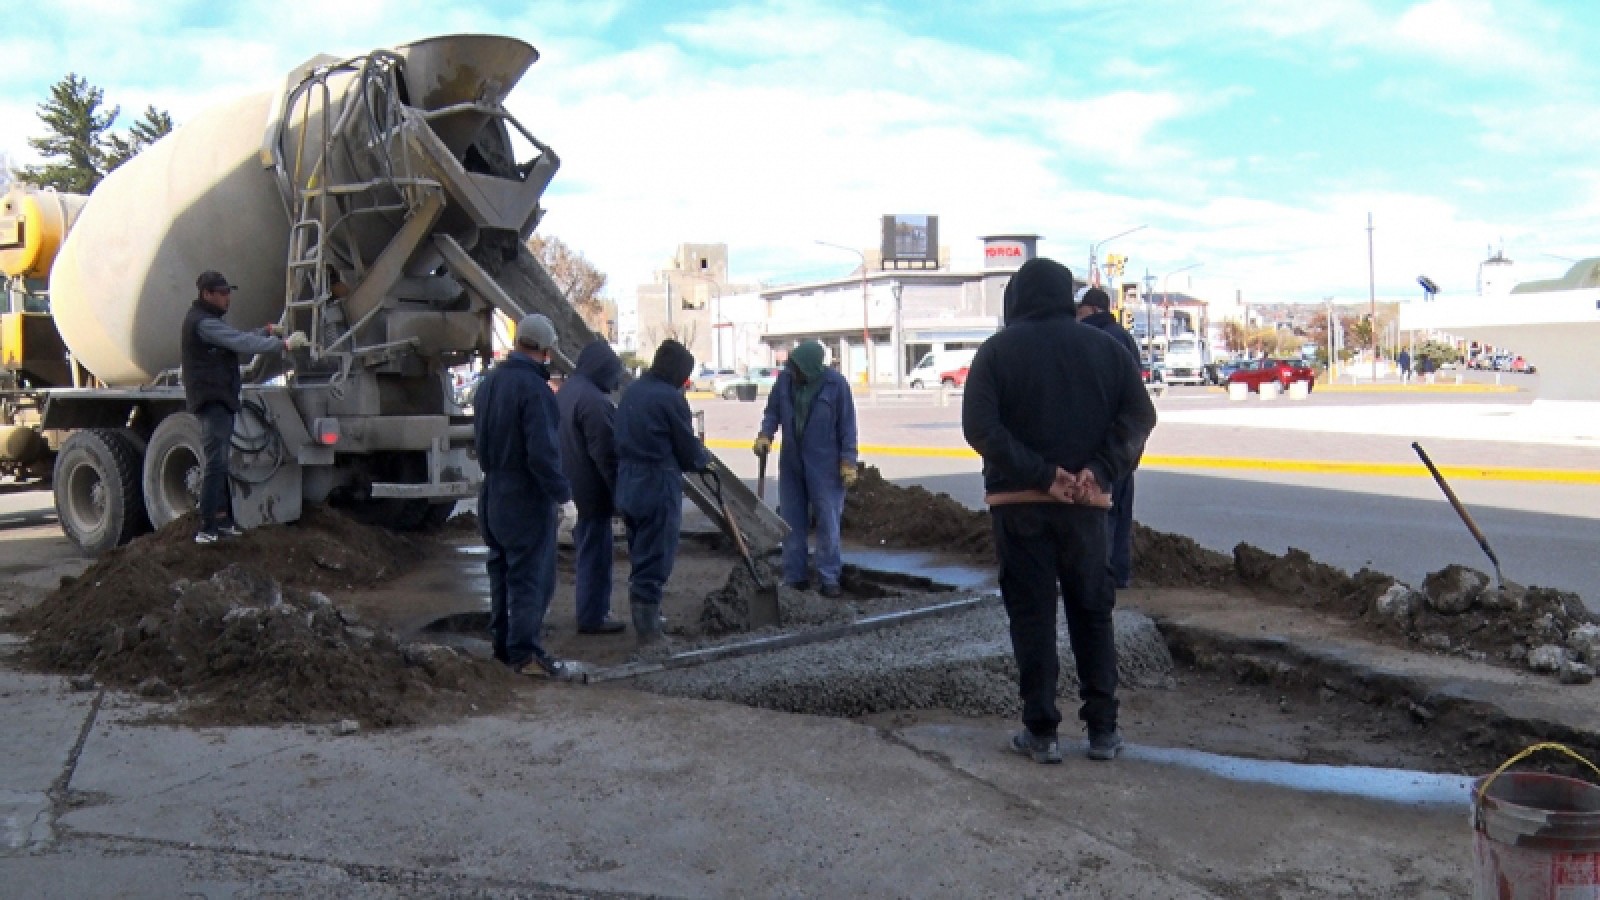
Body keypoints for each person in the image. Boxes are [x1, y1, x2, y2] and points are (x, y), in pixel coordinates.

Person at [963, 258, 1157, 764]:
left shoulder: (996, 353)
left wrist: (1042, 474)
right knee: (1092, 613)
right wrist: (1099, 469)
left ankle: (1042, 732)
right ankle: (1103, 731)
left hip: (1019, 506)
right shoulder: (1106, 350)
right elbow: (1140, 416)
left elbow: (981, 429)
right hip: (1086, 507)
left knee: (1033, 617)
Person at [473, 314, 578, 679]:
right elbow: (542, 454)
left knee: (501, 571)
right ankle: (525, 654)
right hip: (525, 498)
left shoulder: (488, 384)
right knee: (531, 578)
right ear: (546, 351)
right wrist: (564, 496)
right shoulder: (534, 391)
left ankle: (503, 649)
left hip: (493, 493)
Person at [181, 270, 307, 544]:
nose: (228, 298)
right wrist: (281, 344)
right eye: (223, 293)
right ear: (207, 294)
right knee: (216, 463)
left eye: (229, 292)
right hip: (212, 401)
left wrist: (265, 332)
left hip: (220, 399)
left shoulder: (209, 322)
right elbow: (238, 341)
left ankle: (223, 521)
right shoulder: (202, 323)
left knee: (222, 462)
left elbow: (236, 337)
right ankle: (206, 528)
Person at [614, 339, 709, 648]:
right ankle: (649, 634)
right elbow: (685, 447)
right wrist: (701, 460)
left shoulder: (634, 390)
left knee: (640, 553)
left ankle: (647, 618)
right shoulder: (670, 399)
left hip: (628, 482)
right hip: (657, 483)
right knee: (656, 557)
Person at [753, 340, 859, 597]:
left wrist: (848, 461)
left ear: (811, 367)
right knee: (791, 521)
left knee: (828, 520)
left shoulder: (836, 385)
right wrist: (765, 434)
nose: (794, 371)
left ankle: (829, 577)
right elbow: (773, 411)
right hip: (792, 462)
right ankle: (795, 576)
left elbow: (847, 426)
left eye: (799, 367)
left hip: (825, 464)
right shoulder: (785, 382)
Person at [557, 340, 627, 635]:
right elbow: (605, 454)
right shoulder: (595, 402)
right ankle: (594, 616)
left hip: (572, 484)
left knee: (588, 551)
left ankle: (593, 612)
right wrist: (619, 494)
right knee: (596, 557)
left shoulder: (569, 391)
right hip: (592, 491)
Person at [1075, 287, 1141, 589]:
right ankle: (1119, 573)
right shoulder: (1125, 338)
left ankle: (1098, 577)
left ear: (1090, 309)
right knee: (1121, 511)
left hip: (1097, 445)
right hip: (1125, 444)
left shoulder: (1086, 339)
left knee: (1099, 510)